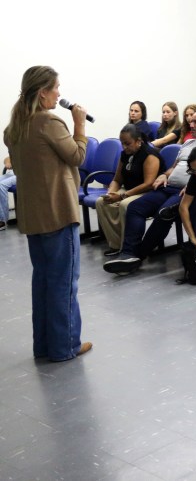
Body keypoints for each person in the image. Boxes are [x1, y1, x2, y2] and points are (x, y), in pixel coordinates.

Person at [4, 66, 91, 361]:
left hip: (33, 215)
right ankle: (65, 346)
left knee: (42, 281)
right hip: (57, 212)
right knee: (63, 282)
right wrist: (79, 125)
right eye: (55, 88)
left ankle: (43, 345)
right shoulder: (49, 122)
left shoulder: (15, 126)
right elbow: (78, 157)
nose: (59, 94)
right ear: (42, 93)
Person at [106, 110, 196, 274]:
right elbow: (174, 167)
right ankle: (128, 253)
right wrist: (164, 175)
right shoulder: (187, 144)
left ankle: (137, 256)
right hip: (168, 187)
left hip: (187, 193)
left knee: (163, 213)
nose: (191, 124)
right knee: (135, 207)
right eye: (191, 122)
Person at [97, 124, 163, 256]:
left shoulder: (150, 155)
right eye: (122, 143)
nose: (124, 147)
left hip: (148, 192)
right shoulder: (125, 154)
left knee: (125, 204)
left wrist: (122, 196)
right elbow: (117, 180)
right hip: (129, 189)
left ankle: (127, 247)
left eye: (127, 143)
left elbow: (149, 184)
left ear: (138, 141)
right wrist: (111, 193)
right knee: (101, 202)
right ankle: (116, 245)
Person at [0, 157, 16, 231]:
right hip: (14, 172)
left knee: (1, 185)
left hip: (26, 174)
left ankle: (2, 221)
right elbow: (8, 158)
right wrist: (8, 162)